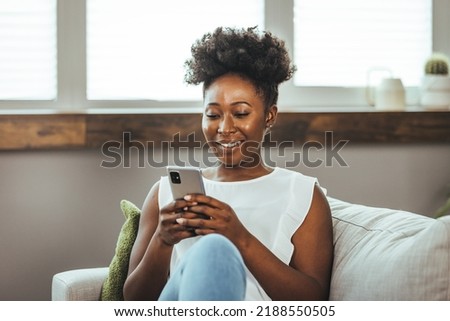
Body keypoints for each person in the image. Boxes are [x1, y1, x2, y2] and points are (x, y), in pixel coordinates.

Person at [123, 26, 334, 301]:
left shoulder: (304, 195)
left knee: (215, 249)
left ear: (269, 116)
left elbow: (313, 302)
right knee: (212, 250)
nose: (224, 127)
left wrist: (239, 237)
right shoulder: (163, 194)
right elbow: (134, 303)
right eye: (212, 114)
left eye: (241, 112)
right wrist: (162, 241)